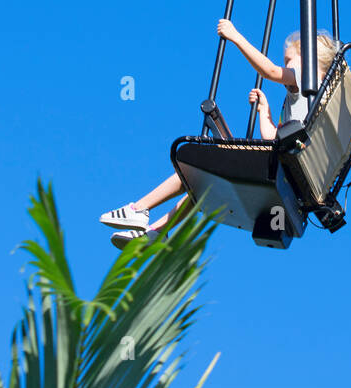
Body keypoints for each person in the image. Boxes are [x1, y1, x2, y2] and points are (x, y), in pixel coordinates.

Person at [99, 20, 338, 247]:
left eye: (289, 60)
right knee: (203, 181)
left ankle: (139, 209)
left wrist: (234, 36)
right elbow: (271, 138)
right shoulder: (309, 101)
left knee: (194, 163)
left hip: (283, 165)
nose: (286, 67)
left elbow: (271, 71)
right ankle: (157, 231)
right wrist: (264, 112)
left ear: (309, 60)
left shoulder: (309, 78)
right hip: (287, 167)